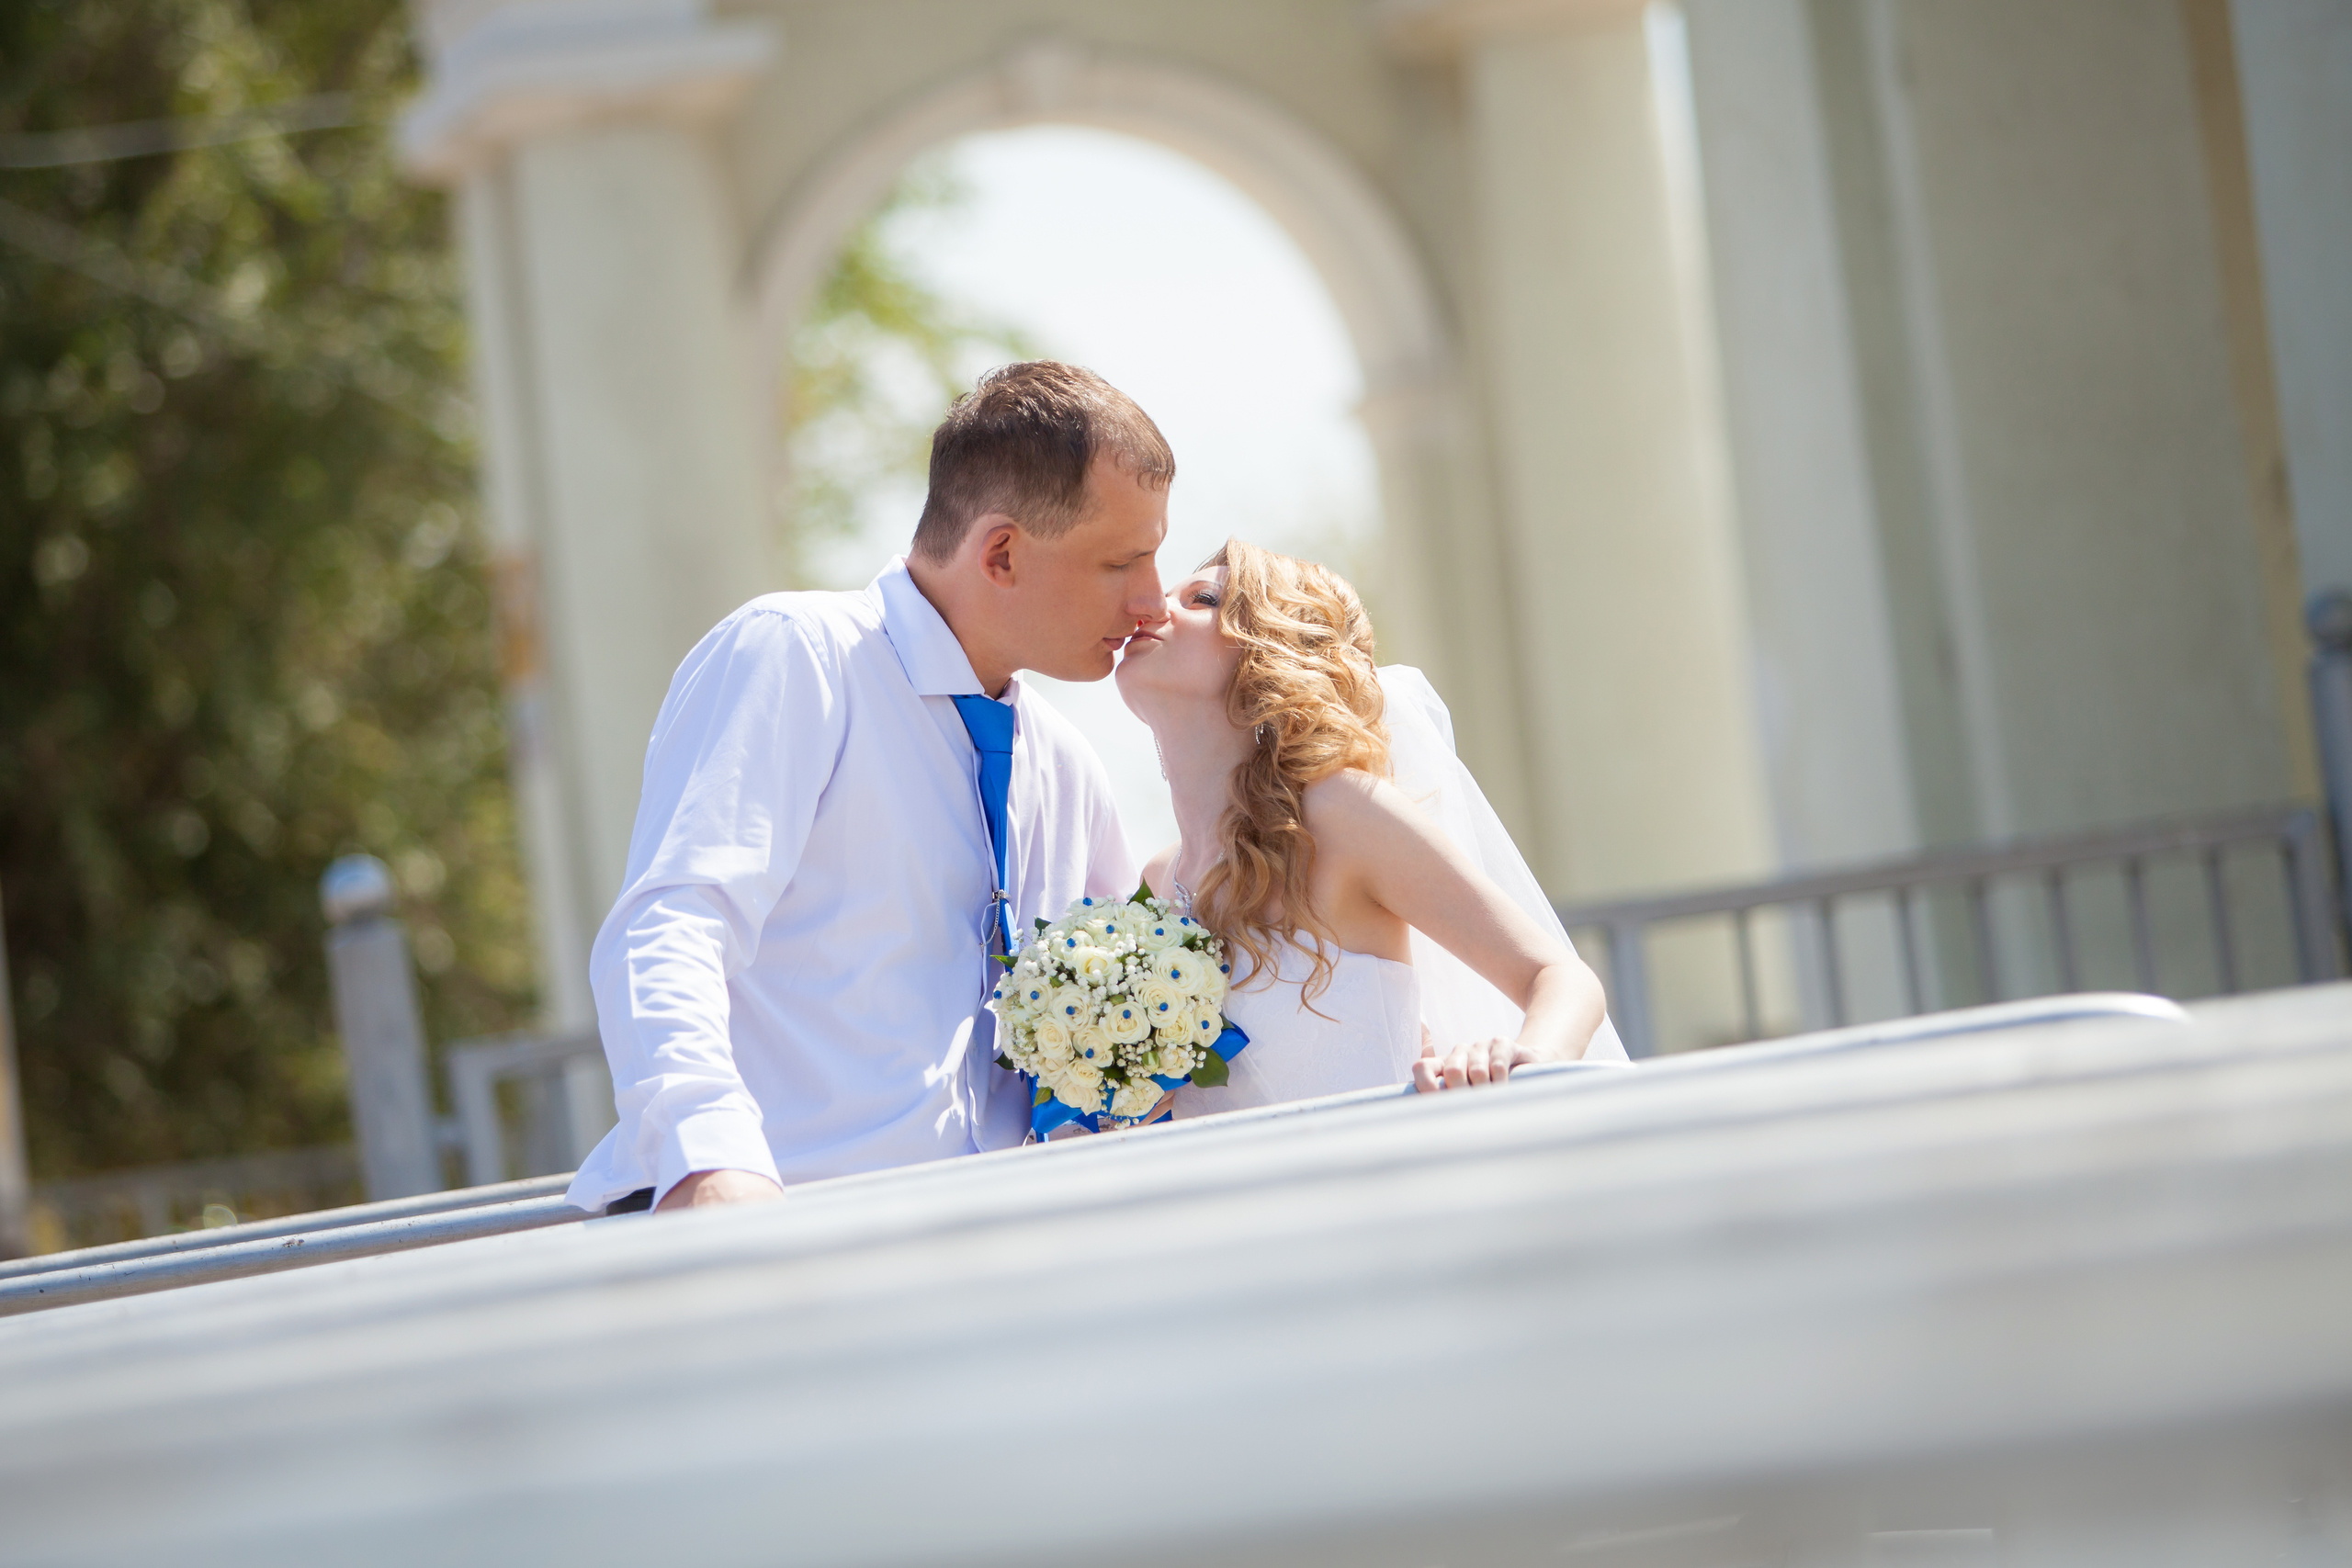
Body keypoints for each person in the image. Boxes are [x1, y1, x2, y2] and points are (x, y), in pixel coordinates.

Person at [564, 363, 1166, 1215]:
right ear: (1000, 553)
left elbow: (1133, 1021)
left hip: (982, 1259)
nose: (1152, 601)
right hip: (765, 1240)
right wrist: (708, 1157)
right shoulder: (796, 654)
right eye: (1122, 562)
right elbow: (673, 921)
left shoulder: (1066, 764)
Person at [1114, 539, 1626, 1117]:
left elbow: (1559, 976)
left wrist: (1526, 1058)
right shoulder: (1160, 880)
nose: (1154, 604)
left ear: (1266, 653)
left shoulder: (1337, 815)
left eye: (1202, 598)